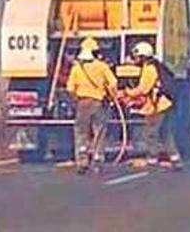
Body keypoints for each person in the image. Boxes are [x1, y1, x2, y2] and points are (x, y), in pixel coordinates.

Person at [120, 42, 182, 170]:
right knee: (165, 133)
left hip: (157, 106)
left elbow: (143, 89)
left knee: (150, 133)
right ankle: (175, 158)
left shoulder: (149, 69)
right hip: (164, 104)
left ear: (143, 56)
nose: (135, 59)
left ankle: (153, 158)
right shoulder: (156, 66)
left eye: (137, 57)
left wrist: (126, 92)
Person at [66, 36, 117, 174]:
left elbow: (70, 88)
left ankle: (82, 161)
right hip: (98, 103)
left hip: (82, 103)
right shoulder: (102, 66)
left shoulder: (76, 68)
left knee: (81, 132)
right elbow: (113, 83)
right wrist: (111, 96)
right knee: (99, 131)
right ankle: (97, 161)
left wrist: (76, 100)